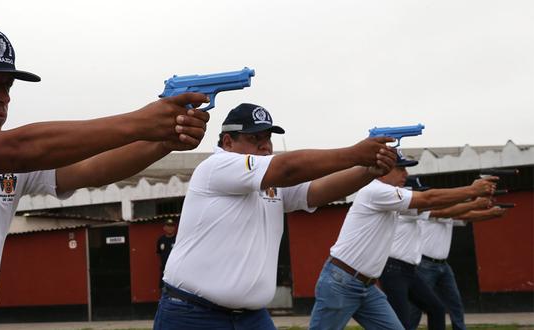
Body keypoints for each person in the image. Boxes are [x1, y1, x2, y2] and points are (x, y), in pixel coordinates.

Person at [0, 19, 210, 330]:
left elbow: (91, 169)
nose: (3, 97)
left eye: (6, 84)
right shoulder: (6, 152)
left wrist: (165, 141)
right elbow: (19, 149)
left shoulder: (0, 158)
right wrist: (139, 122)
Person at [153, 102, 398, 330]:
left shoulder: (271, 180)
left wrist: (367, 172)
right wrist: (354, 154)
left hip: (250, 317)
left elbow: (316, 192)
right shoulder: (216, 166)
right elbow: (288, 167)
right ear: (227, 142)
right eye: (254, 138)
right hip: (193, 314)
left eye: (267, 138)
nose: (265, 145)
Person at [309, 151, 497, 330]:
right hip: (342, 282)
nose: (405, 174)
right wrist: (472, 190)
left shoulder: (389, 197)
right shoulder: (375, 190)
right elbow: (428, 199)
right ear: (382, 170)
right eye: (400, 168)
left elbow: (433, 207)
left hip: (365, 285)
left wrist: (472, 198)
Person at [378, 176, 493, 330]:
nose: (422, 197)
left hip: (409, 268)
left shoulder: (414, 211)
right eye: (419, 193)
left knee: (436, 309)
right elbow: (443, 209)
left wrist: (476, 204)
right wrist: (474, 200)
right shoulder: (403, 208)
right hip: (394, 268)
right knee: (404, 319)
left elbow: (441, 206)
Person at [409, 180, 508, 330]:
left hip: (443, 265)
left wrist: (491, 213)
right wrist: (476, 202)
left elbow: (466, 216)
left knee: (455, 303)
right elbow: (449, 211)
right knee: (417, 307)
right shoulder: (427, 212)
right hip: (425, 265)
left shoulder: (449, 214)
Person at [156, 219, 177, 288]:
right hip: (164, 270)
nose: (170, 228)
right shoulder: (160, 240)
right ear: (164, 228)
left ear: (174, 228)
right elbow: (159, 253)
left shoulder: (177, 239)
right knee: (163, 288)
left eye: (172, 226)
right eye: (168, 226)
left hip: (175, 270)